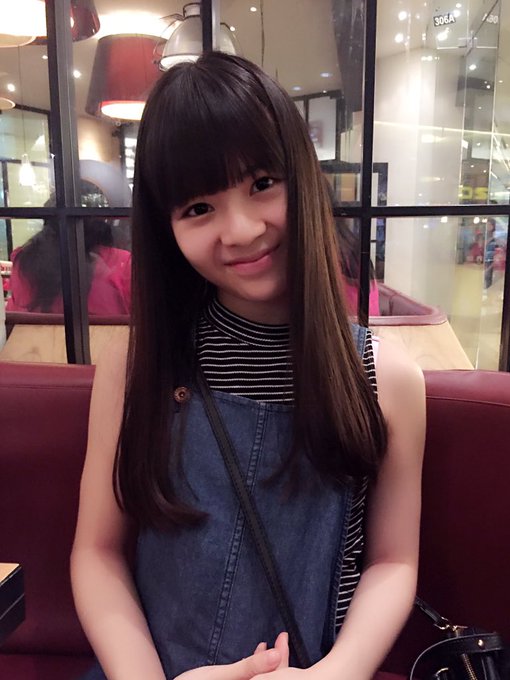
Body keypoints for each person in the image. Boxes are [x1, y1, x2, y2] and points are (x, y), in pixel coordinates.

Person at [71, 52, 425, 680]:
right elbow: (97, 553)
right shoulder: (136, 365)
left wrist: (335, 674)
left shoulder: (385, 377)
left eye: (262, 183)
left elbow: (392, 561)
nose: (239, 230)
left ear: (303, 176)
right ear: (165, 228)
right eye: (197, 208)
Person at [6, 215, 131, 315]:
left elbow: (14, 311)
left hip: (28, 336)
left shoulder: (25, 259)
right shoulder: (123, 262)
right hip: (103, 337)